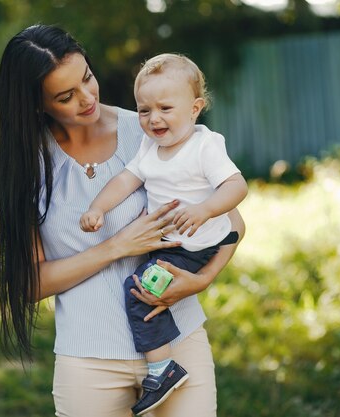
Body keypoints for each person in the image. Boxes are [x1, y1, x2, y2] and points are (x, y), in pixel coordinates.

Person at [0, 24, 245, 417]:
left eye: (87, 78)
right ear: (36, 105)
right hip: (88, 362)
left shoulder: (149, 127)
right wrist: (116, 247)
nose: (88, 97)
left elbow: (232, 221)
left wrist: (203, 279)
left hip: (180, 344)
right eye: (65, 96)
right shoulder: (25, 167)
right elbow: (27, 282)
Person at [79, 53, 248, 415]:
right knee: (148, 285)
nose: (154, 118)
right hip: (173, 245)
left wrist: (205, 210)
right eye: (144, 110)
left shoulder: (205, 145)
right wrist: (98, 208)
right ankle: (163, 361)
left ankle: (162, 368)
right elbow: (126, 180)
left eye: (166, 108)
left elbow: (237, 186)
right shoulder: (150, 148)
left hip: (196, 245)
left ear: (195, 108)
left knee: (140, 290)